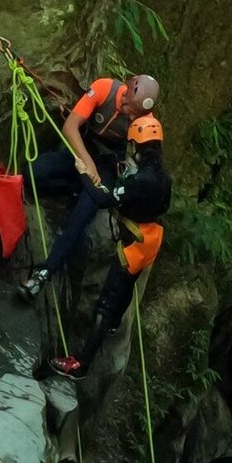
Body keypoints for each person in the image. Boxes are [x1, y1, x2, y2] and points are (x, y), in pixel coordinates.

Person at [48, 114, 171, 380]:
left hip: (133, 246)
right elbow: (160, 205)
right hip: (150, 241)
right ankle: (114, 323)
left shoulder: (141, 180)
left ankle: (80, 364)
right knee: (126, 289)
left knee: (107, 302)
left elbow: (103, 199)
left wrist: (84, 174)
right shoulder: (163, 178)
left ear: (135, 145)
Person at [21, 70, 161, 298]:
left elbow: (145, 159)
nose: (130, 115)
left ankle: (43, 273)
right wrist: (87, 164)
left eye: (135, 113)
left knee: (80, 217)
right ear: (127, 90)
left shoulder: (145, 121)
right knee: (34, 173)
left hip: (107, 166)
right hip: (81, 152)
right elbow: (70, 127)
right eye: (129, 108)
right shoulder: (105, 89)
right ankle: (78, 189)